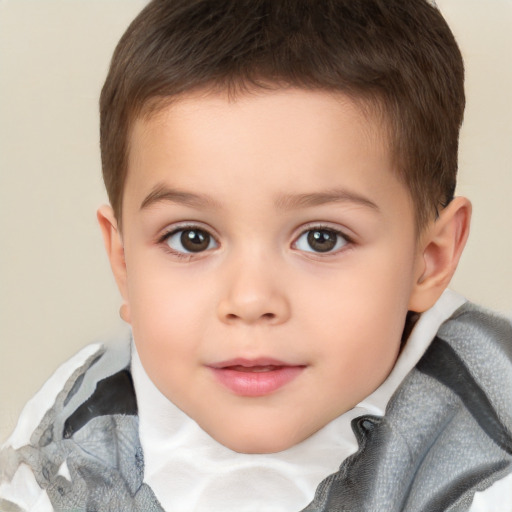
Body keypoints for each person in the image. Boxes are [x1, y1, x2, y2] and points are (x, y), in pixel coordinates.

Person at [1, 0, 511, 510]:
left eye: (321, 239)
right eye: (192, 238)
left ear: (430, 257)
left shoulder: (488, 451)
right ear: (125, 262)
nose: (249, 300)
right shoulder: (80, 426)